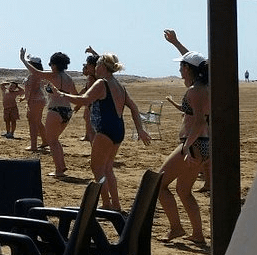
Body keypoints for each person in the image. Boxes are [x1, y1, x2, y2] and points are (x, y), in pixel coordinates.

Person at [46, 53, 151, 209]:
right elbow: (134, 108)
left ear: (102, 66)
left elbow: (83, 100)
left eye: (97, 65)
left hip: (105, 129)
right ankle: (115, 203)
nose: (95, 68)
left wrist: (61, 94)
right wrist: (140, 130)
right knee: (108, 168)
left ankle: (107, 203)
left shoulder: (102, 83)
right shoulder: (119, 85)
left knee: (97, 169)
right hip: (118, 129)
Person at [157, 48, 210, 244]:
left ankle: (176, 228)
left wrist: (187, 147)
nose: (179, 70)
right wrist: (176, 43)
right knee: (183, 190)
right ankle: (197, 234)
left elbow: (199, 121)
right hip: (204, 145)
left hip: (193, 144)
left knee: (159, 185)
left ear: (187, 68)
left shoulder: (195, 91)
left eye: (181, 66)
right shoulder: (207, 88)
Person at [22, 49, 77, 176]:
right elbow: (76, 95)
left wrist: (23, 60)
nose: (50, 66)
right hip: (67, 111)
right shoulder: (69, 78)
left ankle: (59, 170)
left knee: (52, 141)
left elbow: (35, 72)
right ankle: (61, 166)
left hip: (55, 110)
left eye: (51, 64)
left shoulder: (53, 75)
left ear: (55, 64)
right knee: (54, 140)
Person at [21, 55, 47, 152]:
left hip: (34, 101)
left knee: (33, 123)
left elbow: (33, 90)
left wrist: (28, 101)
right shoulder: (38, 74)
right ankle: (45, 141)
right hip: (38, 100)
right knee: (37, 122)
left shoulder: (34, 75)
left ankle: (34, 145)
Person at [78, 49, 99, 141]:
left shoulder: (94, 76)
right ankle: (88, 136)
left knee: (91, 126)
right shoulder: (96, 75)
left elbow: (87, 92)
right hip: (91, 103)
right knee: (87, 118)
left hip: (93, 104)